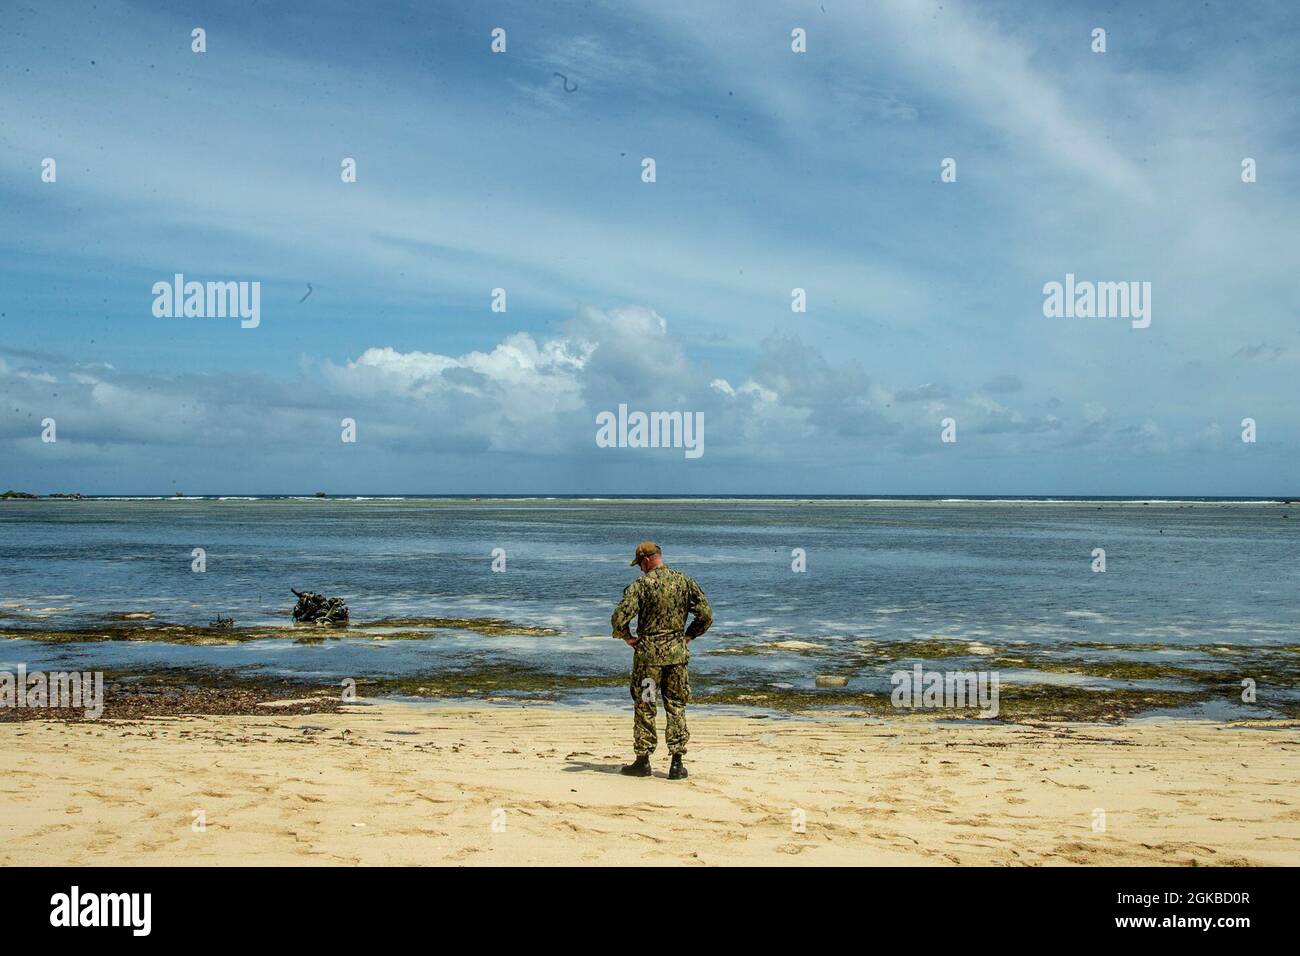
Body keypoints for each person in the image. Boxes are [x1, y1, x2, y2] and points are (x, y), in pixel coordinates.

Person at [610, 541, 713, 780]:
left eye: (640, 565)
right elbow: (706, 615)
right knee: (676, 705)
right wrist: (689, 635)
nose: (640, 569)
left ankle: (643, 760)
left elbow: (618, 618)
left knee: (646, 705)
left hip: (648, 658)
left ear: (646, 560)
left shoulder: (641, 585)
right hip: (676, 656)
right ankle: (677, 763)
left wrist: (627, 637)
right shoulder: (684, 581)